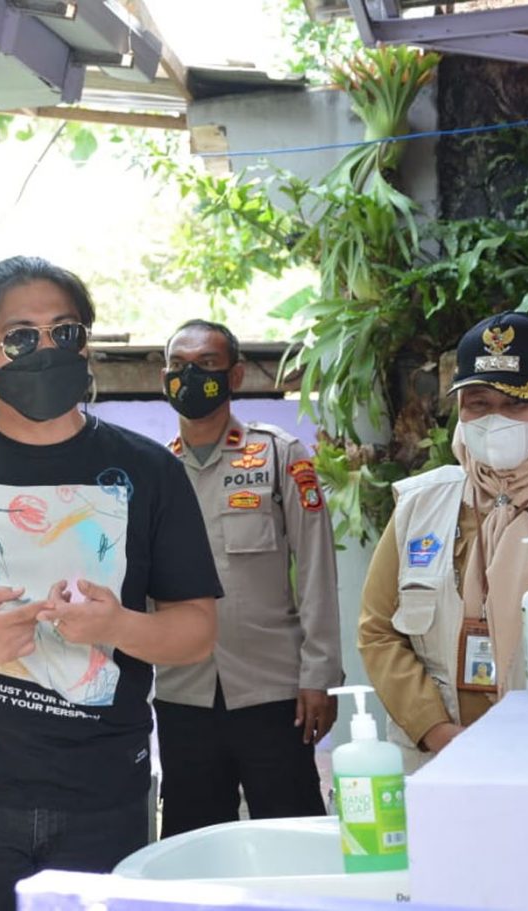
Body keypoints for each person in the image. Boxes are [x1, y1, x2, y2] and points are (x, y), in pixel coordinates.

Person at [0, 256, 221, 911]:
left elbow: (196, 629)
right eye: (21, 336)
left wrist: (117, 625)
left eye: (65, 331)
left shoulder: (149, 472)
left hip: (105, 795)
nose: (47, 348)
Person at [358, 311, 528, 896]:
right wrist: (434, 730)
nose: (496, 420)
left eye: (517, 403)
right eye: (478, 404)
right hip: (446, 769)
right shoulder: (420, 505)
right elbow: (379, 631)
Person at [151, 319, 343, 837]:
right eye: (179, 366)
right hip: (182, 690)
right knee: (193, 837)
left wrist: (318, 675)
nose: (191, 377)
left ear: (234, 375)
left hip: (272, 689)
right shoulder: (152, 472)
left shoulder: (279, 455)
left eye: (207, 366)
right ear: (164, 375)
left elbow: (317, 568)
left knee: (292, 834)